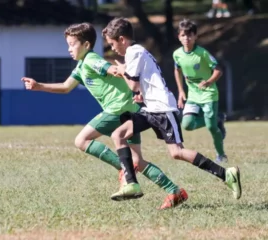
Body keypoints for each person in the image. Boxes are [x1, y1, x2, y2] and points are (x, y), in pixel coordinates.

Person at [21, 22, 187, 209]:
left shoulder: (91, 59)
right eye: (67, 44)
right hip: (129, 110)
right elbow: (66, 87)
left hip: (118, 109)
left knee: (81, 140)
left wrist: (123, 72)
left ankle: (124, 169)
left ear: (86, 45)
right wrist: (39, 86)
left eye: (72, 44)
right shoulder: (82, 66)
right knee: (137, 161)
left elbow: (112, 69)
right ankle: (174, 191)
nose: (69, 49)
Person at [102, 17, 241, 201]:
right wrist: (142, 92)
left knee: (176, 152)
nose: (112, 48)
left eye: (112, 43)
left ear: (122, 39)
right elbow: (145, 81)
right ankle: (130, 182)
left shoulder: (133, 52)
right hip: (151, 107)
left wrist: (122, 71)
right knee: (118, 135)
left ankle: (226, 174)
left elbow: (133, 85)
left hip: (162, 109)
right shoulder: (136, 52)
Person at [173, 19, 228, 164]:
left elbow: (218, 70)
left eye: (190, 35)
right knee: (187, 125)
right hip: (193, 95)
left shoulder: (202, 53)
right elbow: (177, 70)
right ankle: (218, 119)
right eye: (183, 35)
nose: (186, 38)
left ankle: (221, 155)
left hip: (209, 94)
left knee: (211, 127)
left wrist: (209, 81)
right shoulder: (177, 54)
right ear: (179, 36)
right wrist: (180, 91)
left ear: (196, 36)